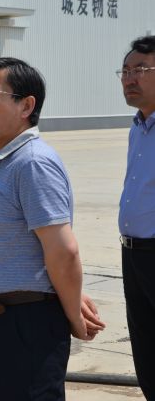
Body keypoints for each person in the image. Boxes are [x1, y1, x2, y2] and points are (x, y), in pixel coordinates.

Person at [0, 57, 105, 400]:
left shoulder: (33, 163)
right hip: (4, 322)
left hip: (26, 323)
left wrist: (73, 315)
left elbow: (63, 250)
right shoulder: (9, 161)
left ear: (26, 105)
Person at [118, 35, 155, 400]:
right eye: (125, 71)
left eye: (141, 69)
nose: (130, 78)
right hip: (133, 254)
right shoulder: (137, 127)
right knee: (145, 349)